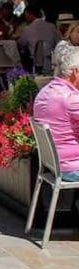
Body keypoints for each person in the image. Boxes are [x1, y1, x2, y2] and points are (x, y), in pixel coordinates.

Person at [33, 47, 79, 182]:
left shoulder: (45, 91)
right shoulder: (70, 98)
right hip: (71, 166)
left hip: (54, 162)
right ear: (76, 71)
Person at [18, 4, 61, 72]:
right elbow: (59, 42)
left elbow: (21, 44)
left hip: (34, 62)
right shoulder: (52, 26)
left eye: (26, 14)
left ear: (30, 14)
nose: (25, 17)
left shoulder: (27, 29)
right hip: (52, 61)